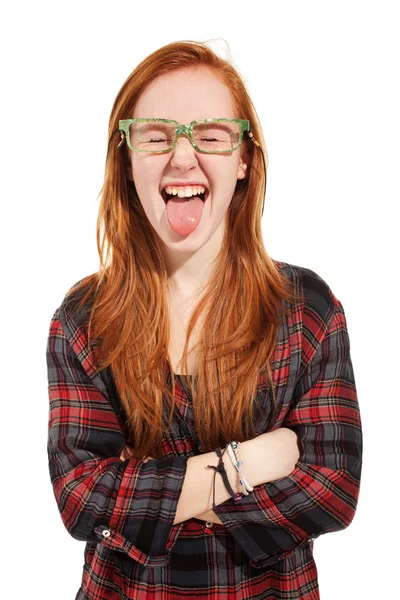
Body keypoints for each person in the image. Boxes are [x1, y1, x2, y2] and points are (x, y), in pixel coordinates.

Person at [46, 39, 363, 600]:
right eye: (156, 135)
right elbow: (83, 501)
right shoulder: (83, 320)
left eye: (211, 135)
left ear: (244, 160)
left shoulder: (307, 309)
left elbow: (331, 490)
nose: (183, 157)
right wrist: (250, 463)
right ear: (126, 160)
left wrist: (145, 491)